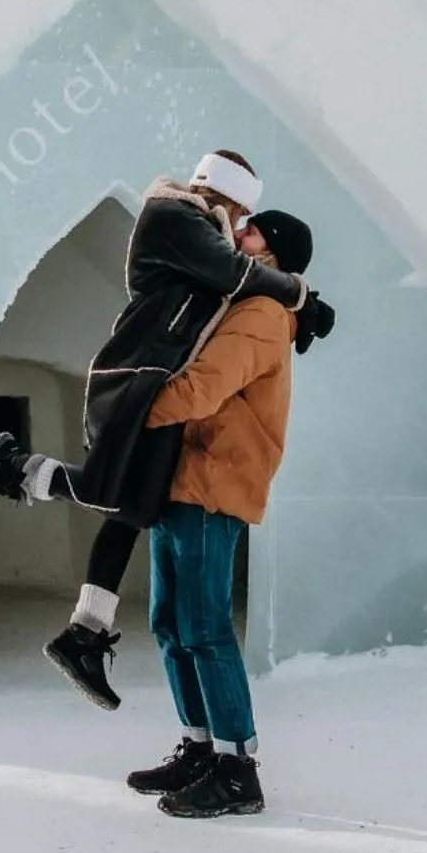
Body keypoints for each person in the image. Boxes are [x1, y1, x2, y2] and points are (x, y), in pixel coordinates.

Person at [0, 151, 335, 706]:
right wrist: (299, 295)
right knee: (118, 497)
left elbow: (243, 295)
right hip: (139, 380)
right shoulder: (174, 217)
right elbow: (233, 275)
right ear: (225, 196)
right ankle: (14, 469)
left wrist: (299, 303)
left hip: (157, 389)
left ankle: (84, 631)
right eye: (243, 214)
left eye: (254, 226)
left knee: (130, 507)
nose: (242, 227)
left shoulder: (227, 264)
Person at [126, 207, 315, 817]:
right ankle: (201, 747)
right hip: (185, 476)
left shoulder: (261, 314)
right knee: (169, 621)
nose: (238, 235)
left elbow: (202, 387)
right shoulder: (238, 300)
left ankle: (237, 771)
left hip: (215, 480)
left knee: (203, 624)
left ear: (276, 253)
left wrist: (127, 418)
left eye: (252, 230)